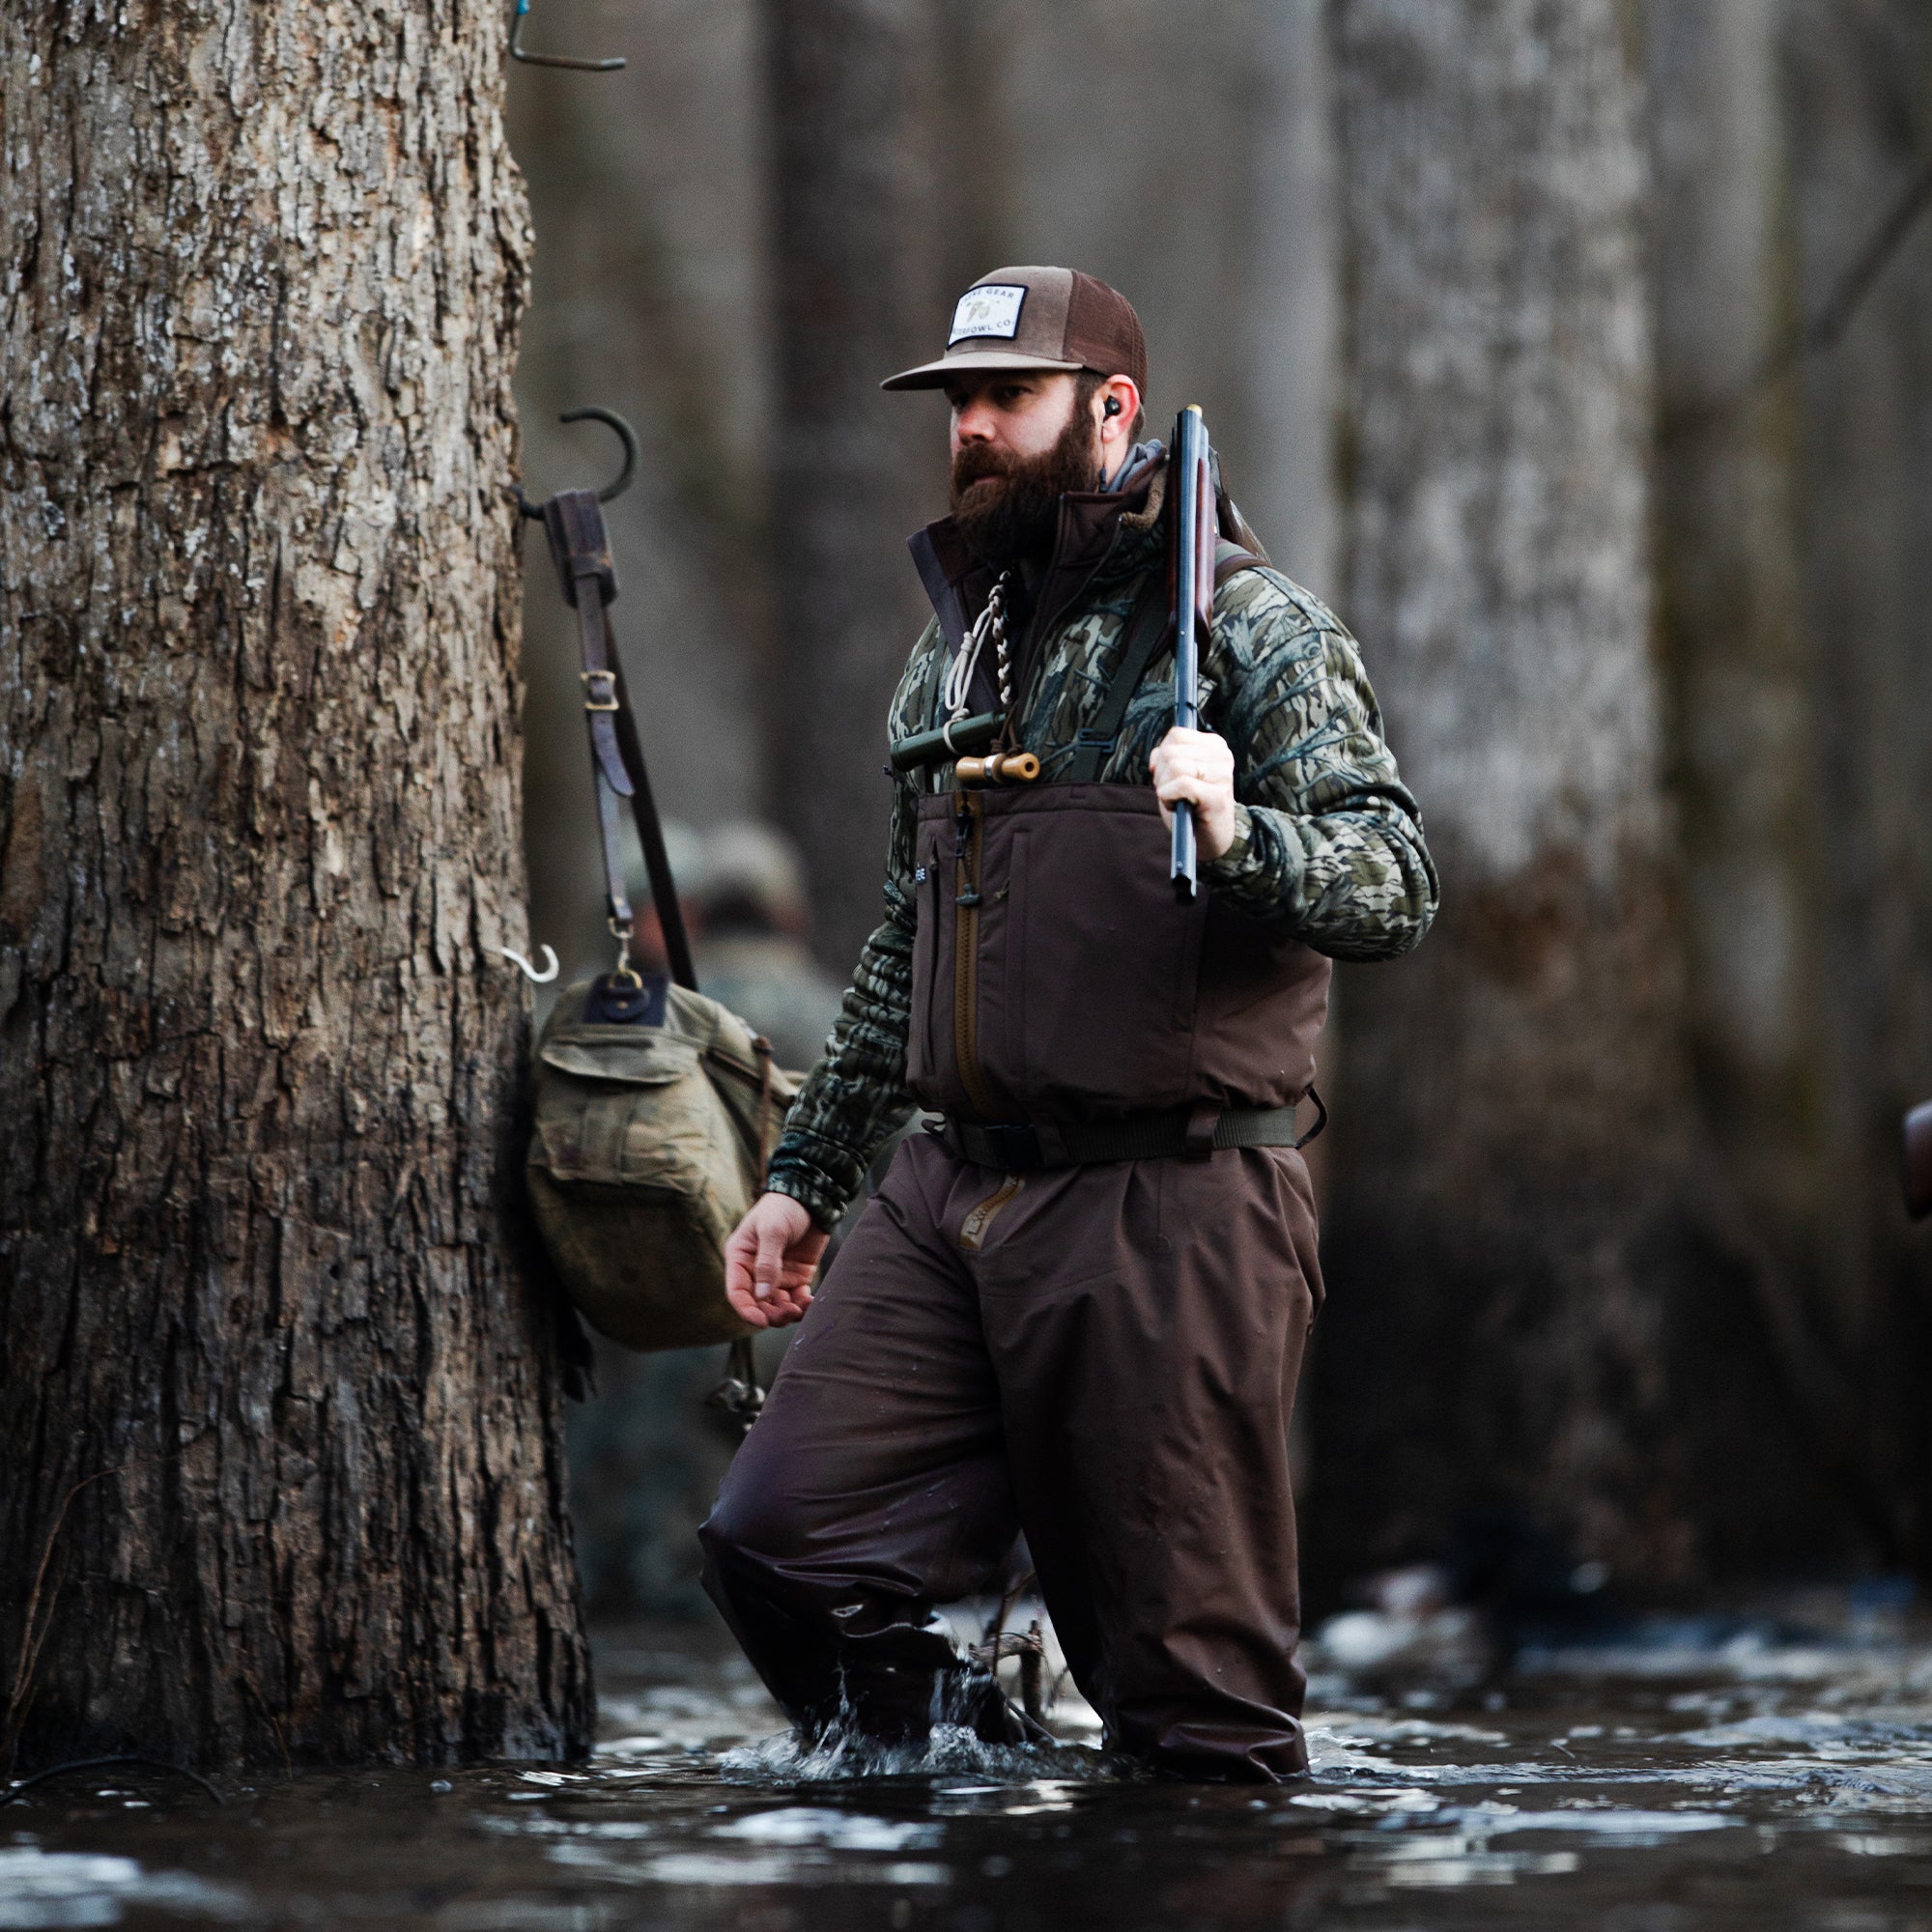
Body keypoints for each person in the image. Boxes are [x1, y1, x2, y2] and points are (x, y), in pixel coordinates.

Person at [699, 266, 1438, 1780]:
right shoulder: (957, 643)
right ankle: (969, 1777)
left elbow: (1399, 883)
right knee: (778, 1542)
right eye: (958, 403)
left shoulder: (1253, 627)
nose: (970, 430)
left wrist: (1245, 838)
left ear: (1110, 409)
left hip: (1167, 1200)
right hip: (946, 1193)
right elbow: (911, 933)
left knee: (1196, 1715)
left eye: (1006, 399)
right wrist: (806, 1175)